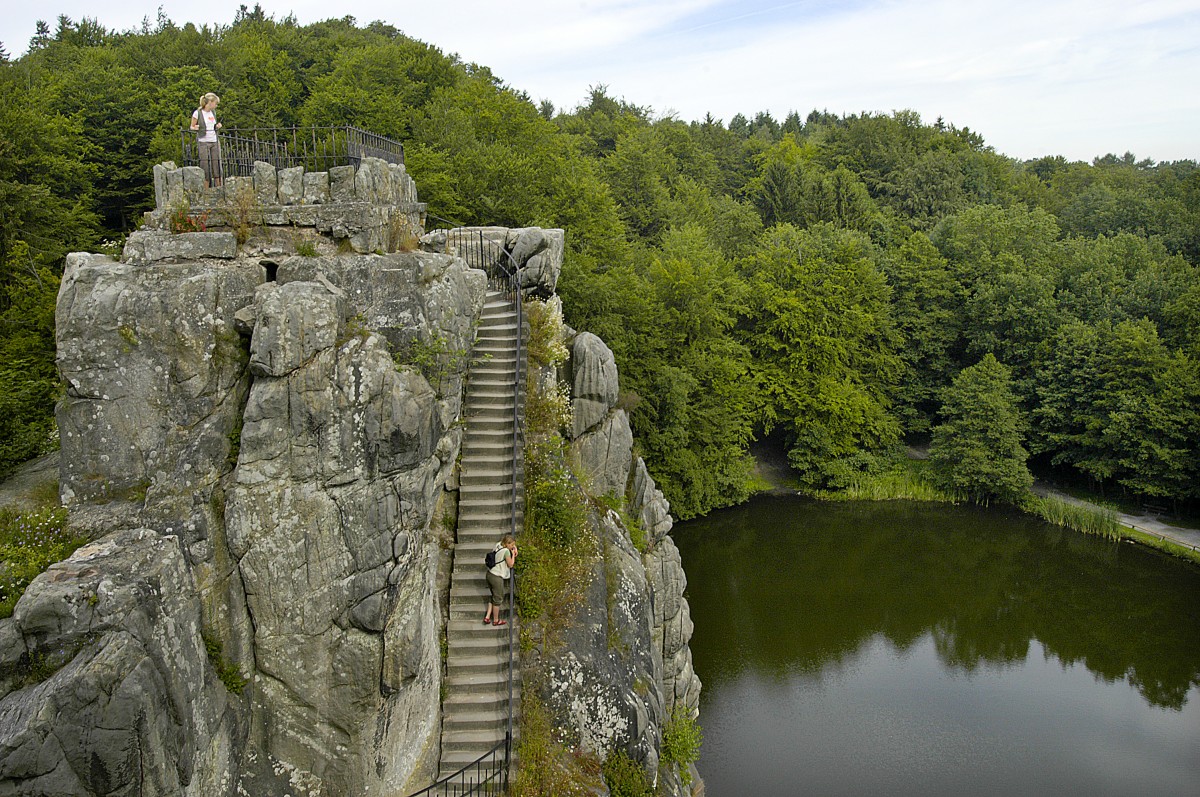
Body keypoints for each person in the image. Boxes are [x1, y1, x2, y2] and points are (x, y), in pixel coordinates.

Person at [190, 92, 223, 188]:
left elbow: (213, 125)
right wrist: (196, 127)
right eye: (215, 103)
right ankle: (206, 187)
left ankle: (219, 186)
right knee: (204, 164)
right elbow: (191, 126)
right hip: (203, 141)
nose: (216, 105)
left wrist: (217, 126)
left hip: (214, 140)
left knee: (216, 163)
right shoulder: (198, 113)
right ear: (210, 102)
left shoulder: (213, 113)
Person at [484, 534, 518, 627]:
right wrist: (513, 555)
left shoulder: (498, 545)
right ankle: (496, 620)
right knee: (498, 598)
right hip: (497, 577)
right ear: (507, 544)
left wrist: (514, 548)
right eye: (512, 545)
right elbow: (510, 564)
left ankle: (487, 617)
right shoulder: (506, 551)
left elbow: (510, 544)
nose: (512, 547)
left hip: (489, 574)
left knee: (494, 596)